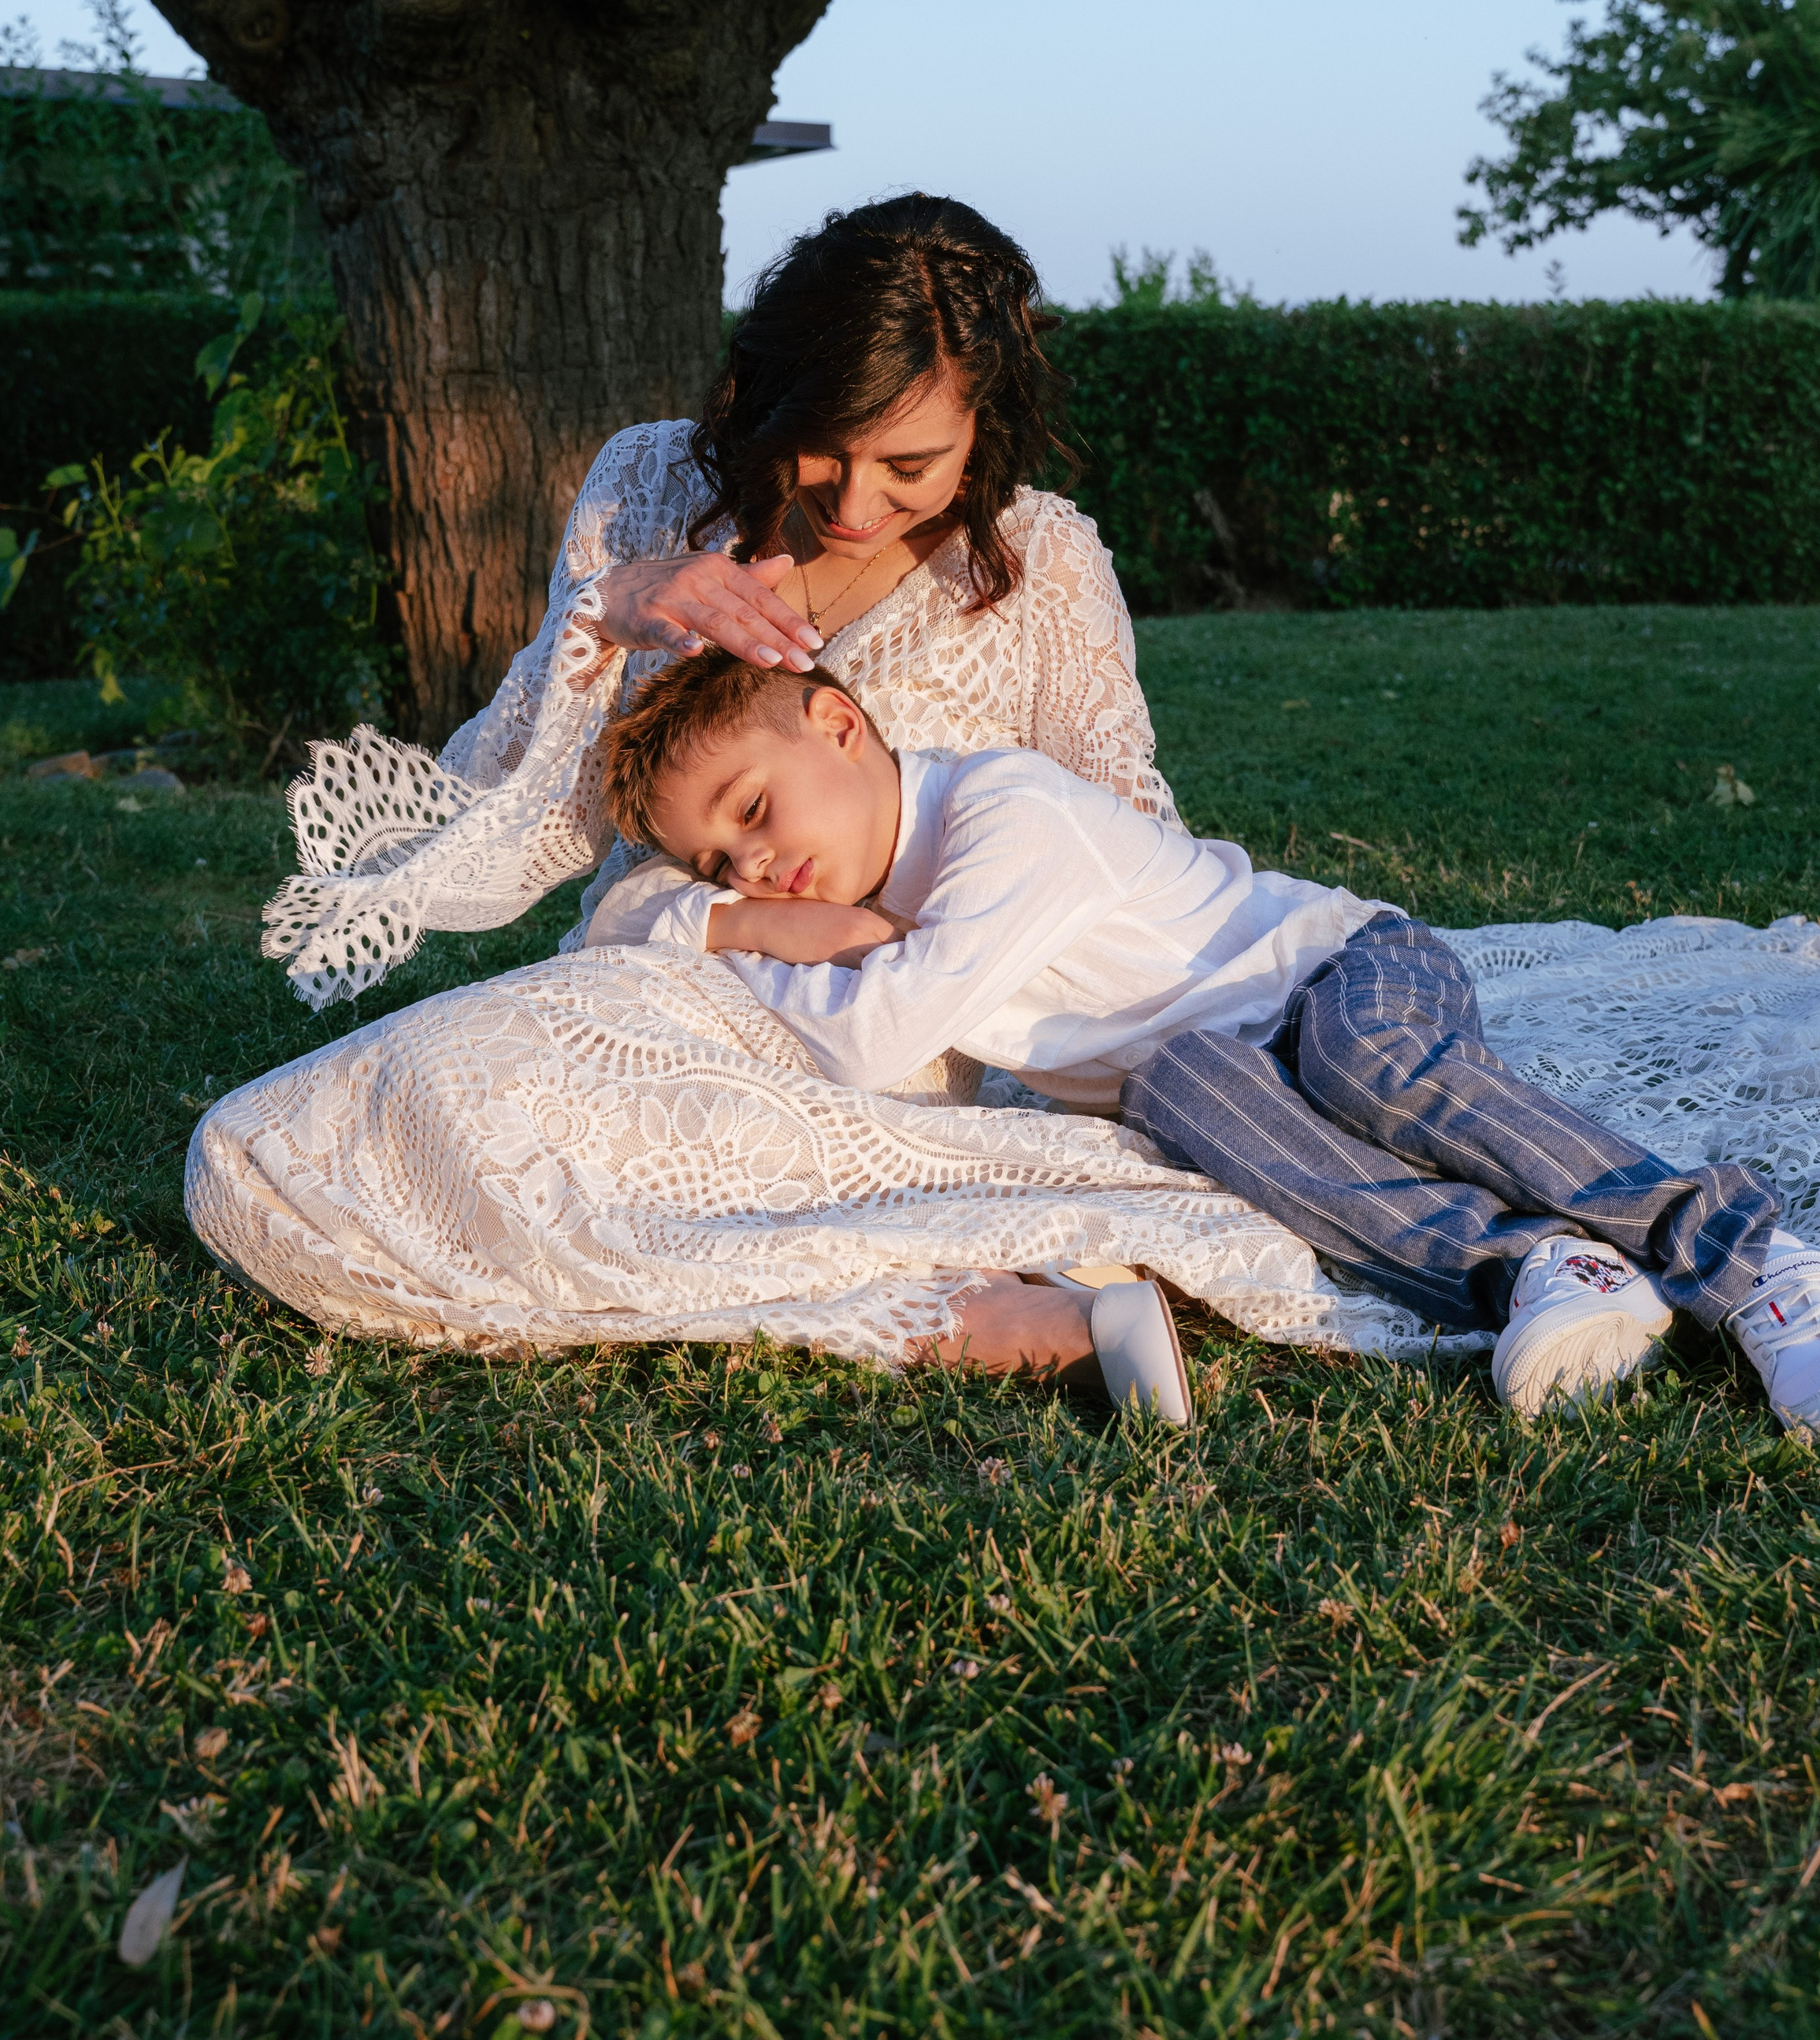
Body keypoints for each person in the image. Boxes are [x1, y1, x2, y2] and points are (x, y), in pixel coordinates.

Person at [190, 197, 1436, 1374]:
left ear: (983, 426)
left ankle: (976, 1297)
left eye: (909, 463)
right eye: (823, 449)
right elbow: (511, 846)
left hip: (903, 1033)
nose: (854, 501)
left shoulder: (1043, 563)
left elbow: (1127, 836)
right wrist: (608, 619)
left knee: (601, 1172)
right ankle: (990, 1294)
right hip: (662, 988)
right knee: (297, 1148)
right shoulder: (651, 486)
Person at [596, 646, 1820, 1445]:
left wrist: (758, 931)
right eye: (726, 859)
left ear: (839, 722)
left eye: (756, 810)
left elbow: (874, 1030)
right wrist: (754, 922)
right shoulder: (873, 901)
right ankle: (1539, 1263)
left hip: (1343, 976)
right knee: (1180, 1088)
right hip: (1224, 1061)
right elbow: (776, 1004)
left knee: (1361, 1066)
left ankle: (1761, 1259)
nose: (759, 861)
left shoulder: (1004, 814)